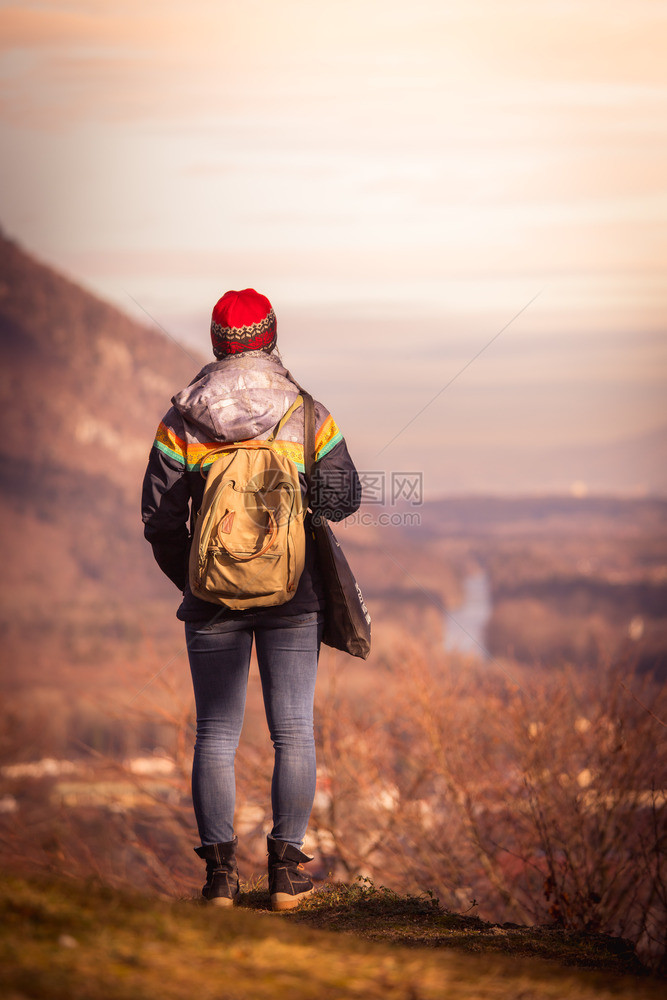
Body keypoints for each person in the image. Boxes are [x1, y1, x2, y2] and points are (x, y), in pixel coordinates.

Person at [141, 289, 361, 910]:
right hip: (293, 596)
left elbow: (159, 520)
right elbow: (345, 496)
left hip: (210, 602)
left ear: (216, 342)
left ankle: (218, 879)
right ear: (269, 338)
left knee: (214, 734)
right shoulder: (305, 411)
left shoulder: (180, 420)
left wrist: (196, 578)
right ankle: (287, 875)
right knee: (294, 730)